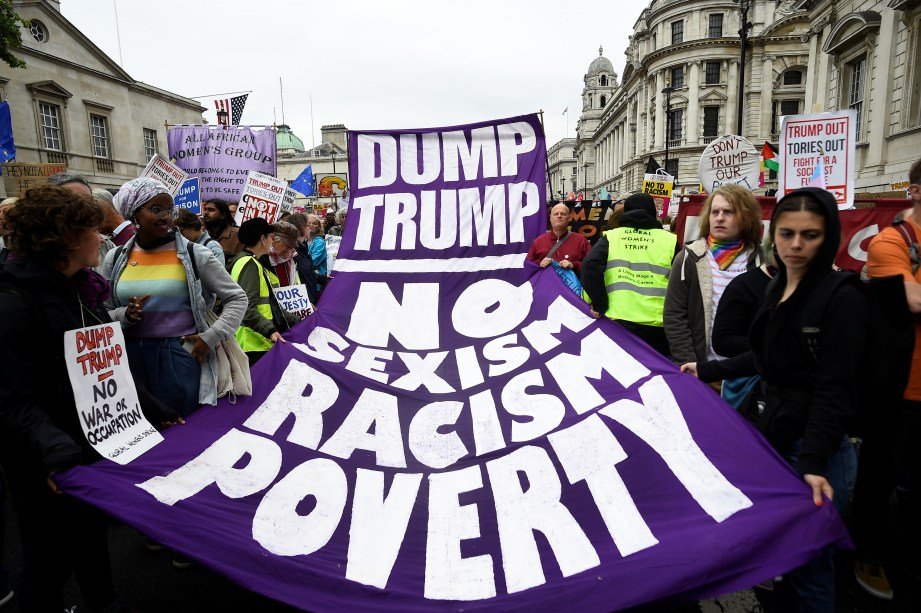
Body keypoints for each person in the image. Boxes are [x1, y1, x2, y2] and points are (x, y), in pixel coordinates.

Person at [683, 187, 864, 612]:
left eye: (811, 235)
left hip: (817, 449)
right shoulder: (777, 286)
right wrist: (706, 370)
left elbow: (834, 389)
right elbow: (766, 358)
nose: (796, 245)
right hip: (776, 436)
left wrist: (816, 460)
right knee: (784, 559)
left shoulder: (843, 297)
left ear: (830, 237)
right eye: (787, 234)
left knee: (812, 568)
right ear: (773, 236)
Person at [0, 185, 176, 612]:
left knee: (90, 541)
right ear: (62, 239)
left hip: (84, 450)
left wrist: (156, 411)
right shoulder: (12, 304)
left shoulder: (81, 290)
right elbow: (11, 401)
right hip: (44, 461)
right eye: (90, 230)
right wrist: (56, 454)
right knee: (46, 563)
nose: (101, 237)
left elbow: (107, 366)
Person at [101, 178, 246, 418]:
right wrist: (124, 315)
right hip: (128, 359)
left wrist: (210, 337)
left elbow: (237, 298)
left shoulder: (195, 253)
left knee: (182, 432)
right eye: (155, 209)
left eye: (169, 210)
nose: (165, 216)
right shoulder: (115, 258)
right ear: (134, 214)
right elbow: (103, 312)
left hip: (179, 356)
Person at [852, 158, 921, 599]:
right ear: (915, 192)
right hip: (902, 389)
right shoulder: (890, 243)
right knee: (879, 478)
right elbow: (912, 300)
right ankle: (868, 554)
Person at [664, 184, 763, 366]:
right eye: (714, 212)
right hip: (703, 371)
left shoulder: (762, 260)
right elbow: (674, 315)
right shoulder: (689, 258)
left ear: (746, 217)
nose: (719, 218)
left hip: (747, 374)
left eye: (728, 212)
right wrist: (690, 362)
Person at [581, 193, 676, 356]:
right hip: (658, 324)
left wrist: (600, 303)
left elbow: (590, 265)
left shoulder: (612, 237)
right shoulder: (670, 240)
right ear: (653, 212)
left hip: (619, 320)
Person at [228, 218, 301, 365]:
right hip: (252, 342)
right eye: (270, 237)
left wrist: (299, 321)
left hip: (257, 340)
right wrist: (269, 331)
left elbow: (271, 306)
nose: (271, 241)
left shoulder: (251, 262)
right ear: (262, 239)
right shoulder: (249, 264)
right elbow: (246, 307)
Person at [527, 202, 591, 275]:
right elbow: (528, 265)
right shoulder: (538, 242)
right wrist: (540, 264)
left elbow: (591, 266)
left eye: (563, 214)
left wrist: (573, 265)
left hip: (571, 286)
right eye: (556, 214)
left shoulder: (581, 241)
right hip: (546, 285)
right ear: (550, 218)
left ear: (569, 218)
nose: (559, 216)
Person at [202, 198, 242, 264]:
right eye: (205, 209)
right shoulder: (200, 232)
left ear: (223, 215)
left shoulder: (237, 235)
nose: (206, 213)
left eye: (211, 210)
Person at [260, 220, 300, 286]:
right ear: (273, 239)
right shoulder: (261, 258)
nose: (290, 249)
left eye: (292, 245)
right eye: (287, 244)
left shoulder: (291, 260)